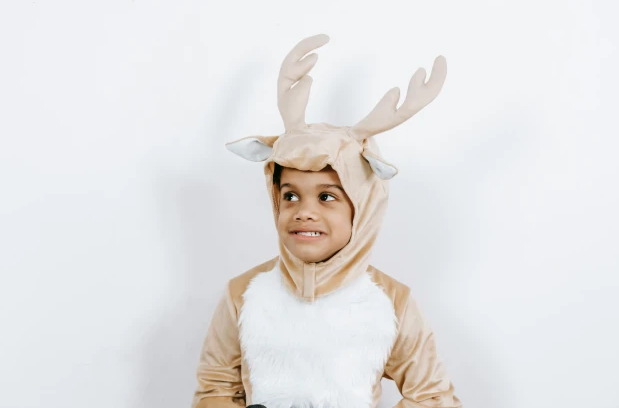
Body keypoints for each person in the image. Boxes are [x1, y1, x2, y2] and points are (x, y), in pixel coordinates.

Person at [191, 34, 463, 408]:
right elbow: (216, 386)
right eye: (290, 195)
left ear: (362, 205)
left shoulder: (392, 302)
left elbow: (432, 396)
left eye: (326, 196)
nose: (304, 211)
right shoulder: (243, 295)